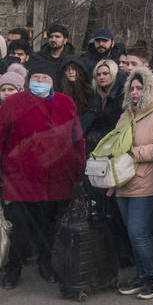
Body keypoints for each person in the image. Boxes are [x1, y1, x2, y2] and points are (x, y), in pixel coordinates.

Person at [0, 60, 85, 289]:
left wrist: (79, 172)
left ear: (53, 81)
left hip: (56, 179)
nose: (40, 82)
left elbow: (77, 139)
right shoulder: (13, 103)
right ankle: (13, 270)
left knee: (49, 226)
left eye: (45, 78)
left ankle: (46, 265)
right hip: (20, 179)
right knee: (20, 226)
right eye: (36, 78)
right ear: (29, 80)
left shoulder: (65, 102)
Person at [115, 67, 153, 299]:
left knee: (139, 232)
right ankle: (142, 275)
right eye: (132, 88)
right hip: (123, 181)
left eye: (140, 88)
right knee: (133, 234)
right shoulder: (125, 114)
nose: (135, 92)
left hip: (147, 182)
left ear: (148, 90)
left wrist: (134, 153)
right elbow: (116, 140)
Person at [81, 59, 127, 154]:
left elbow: (116, 126)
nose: (101, 77)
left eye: (105, 74)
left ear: (113, 74)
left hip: (112, 143)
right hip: (95, 140)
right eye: (98, 75)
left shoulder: (121, 95)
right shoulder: (96, 94)